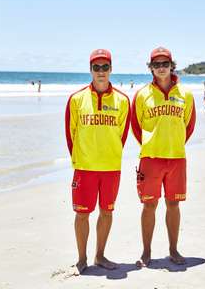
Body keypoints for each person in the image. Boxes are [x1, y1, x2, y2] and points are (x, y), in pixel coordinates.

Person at [65, 49, 131, 273]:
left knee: (107, 212)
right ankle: (82, 259)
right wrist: (82, 158)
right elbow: (70, 133)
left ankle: (100, 256)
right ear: (91, 70)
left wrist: (109, 153)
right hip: (85, 168)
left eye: (105, 67)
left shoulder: (122, 100)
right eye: (96, 67)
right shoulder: (76, 99)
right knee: (82, 213)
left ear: (111, 69)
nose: (101, 72)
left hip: (111, 168)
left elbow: (122, 135)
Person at [131, 47, 196, 267]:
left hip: (177, 158)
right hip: (150, 159)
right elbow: (136, 126)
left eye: (165, 64)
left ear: (172, 66)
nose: (161, 68)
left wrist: (173, 143)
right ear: (151, 68)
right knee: (149, 206)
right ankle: (146, 252)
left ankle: (173, 250)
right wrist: (153, 144)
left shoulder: (185, 94)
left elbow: (189, 125)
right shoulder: (142, 95)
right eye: (156, 64)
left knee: (173, 204)